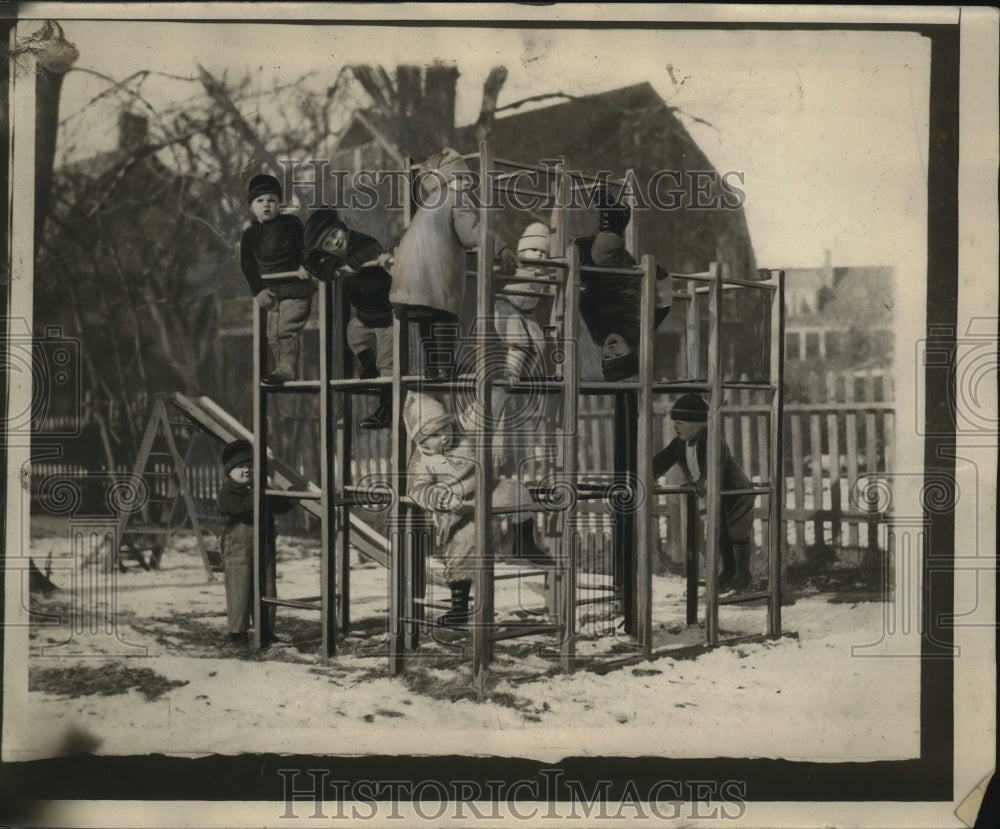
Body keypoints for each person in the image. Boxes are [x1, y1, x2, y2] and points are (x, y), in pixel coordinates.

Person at [404, 392, 555, 627]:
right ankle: (459, 607)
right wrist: (440, 499)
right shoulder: (421, 461)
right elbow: (416, 489)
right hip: (456, 509)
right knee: (461, 548)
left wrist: (499, 390)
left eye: (445, 429)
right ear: (421, 442)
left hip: (488, 490)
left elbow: (485, 411)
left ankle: (524, 542)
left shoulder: (467, 432)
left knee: (518, 492)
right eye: (433, 436)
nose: (443, 438)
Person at [389, 148, 519, 380]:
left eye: (468, 178)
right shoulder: (454, 198)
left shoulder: (428, 204)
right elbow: (469, 233)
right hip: (434, 273)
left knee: (426, 320)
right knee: (445, 316)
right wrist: (499, 246)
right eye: (462, 178)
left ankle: (431, 367)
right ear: (448, 179)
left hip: (409, 275)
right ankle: (447, 367)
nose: (467, 183)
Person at [652, 394, 756, 591]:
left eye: (681, 423)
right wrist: (647, 478)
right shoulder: (680, 443)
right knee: (720, 533)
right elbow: (661, 462)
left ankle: (743, 575)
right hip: (713, 495)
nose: (676, 427)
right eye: (676, 422)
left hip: (735, 493)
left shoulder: (712, 439)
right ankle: (728, 572)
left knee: (737, 532)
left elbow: (713, 469)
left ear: (697, 423)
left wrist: (699, 483)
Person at [303, 208, 395, 429]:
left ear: (343, 227)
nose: (334, 243)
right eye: (327, 243)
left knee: (388, 363)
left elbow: (373, 251)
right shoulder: (334, 257)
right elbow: (310, 261)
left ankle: (387, 409)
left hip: (388, 315)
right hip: (365, 316)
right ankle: (369, 367)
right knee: (354, 336)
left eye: (335, 235)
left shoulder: (362, 242)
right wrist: (332, 266)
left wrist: (347, 265)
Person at [573, 186, 671, 381]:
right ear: (632, 351)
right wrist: (660, 277)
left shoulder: (597, 334)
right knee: (603, 258)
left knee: (580, 253)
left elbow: (585, 305)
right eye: (618, 354)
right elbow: (665, 304)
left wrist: (579, 290)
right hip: (620, 275)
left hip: (594, 277)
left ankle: (615, 223)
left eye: (607, 356)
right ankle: (611, 220)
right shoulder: (641, 330)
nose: (611, 349)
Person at [216, 439, 293, 645]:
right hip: (239, 548)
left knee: (267, 586)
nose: (246, 471)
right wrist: (260, 494)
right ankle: (237, 633)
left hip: (265, 545)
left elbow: (282, 506)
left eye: (250, 466)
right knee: (240, 588)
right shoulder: (226, 493)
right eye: (240, 467)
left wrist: (282, 492)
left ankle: (265, 629)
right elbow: (240, 508)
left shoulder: (261, 489)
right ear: (229, 472)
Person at [238, 174, 313, 385]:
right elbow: (248, 266)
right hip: (272, 293)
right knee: (273, 335)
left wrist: (305, 266)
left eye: (271, 200)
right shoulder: (250, 234)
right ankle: (281, 369)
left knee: (284, 331)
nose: (266, 205)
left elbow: (307, 247)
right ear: (252, 206)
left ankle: (285, 370)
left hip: (295, 288)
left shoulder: (292, 223)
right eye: (260, 201)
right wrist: (258, 290)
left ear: (279, 204)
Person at [494, 221, 551, 387]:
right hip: (506, 308)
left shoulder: (543, 273)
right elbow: (499, 271)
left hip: (526, 315)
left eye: (543, 252)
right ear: (523, 250)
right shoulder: (517, 266)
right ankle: (511, 373)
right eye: (534, 250)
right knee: (520, 341)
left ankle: (530, 377)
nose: (539, 254)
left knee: (539, 342)